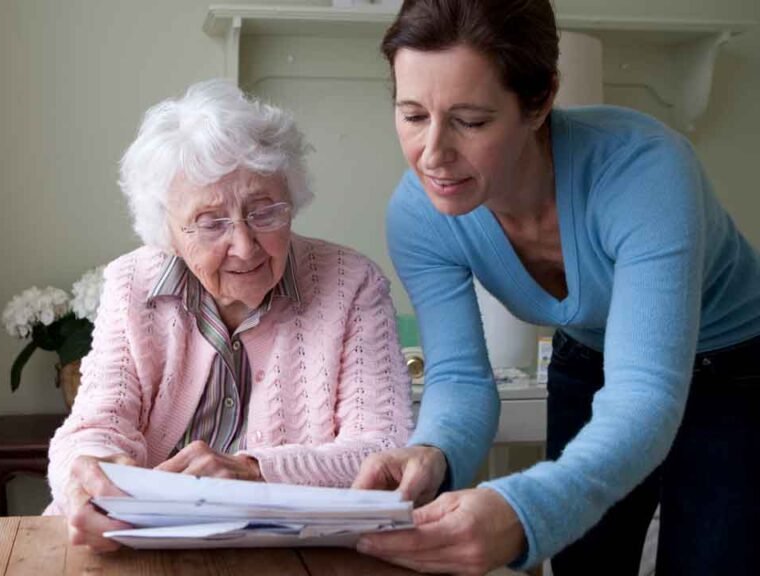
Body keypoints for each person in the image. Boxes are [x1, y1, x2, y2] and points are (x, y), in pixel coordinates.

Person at [352, 0, 760, 574]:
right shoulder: (419, 216)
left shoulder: (646, 172)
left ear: (540, 100)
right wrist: (433, 450)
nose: (433, 155)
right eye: (413, 115)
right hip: (588, 357)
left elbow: (644, 394)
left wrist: (522, 510)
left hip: (737, 371)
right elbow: (459, 378)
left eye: (470, 121)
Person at [45, 79, 414, 552]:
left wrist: (252, 472)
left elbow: (383, 450)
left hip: (291, 556)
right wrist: (90, 473)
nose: (243, 246)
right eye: (210, 222)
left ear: (292, 202)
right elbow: (93, 425)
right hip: (139, 549)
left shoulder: (352, 283)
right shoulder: (131, 284)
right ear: (168, 231)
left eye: (264, 212)